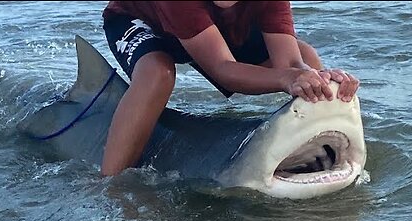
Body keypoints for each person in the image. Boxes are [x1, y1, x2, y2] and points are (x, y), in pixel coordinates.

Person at [100, 1, 360, 176]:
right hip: (141, 20)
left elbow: (290, 62)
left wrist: (318, 77)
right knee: (158, 74)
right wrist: (286, 78)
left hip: (211, 29)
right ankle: (108, 183)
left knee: (307, 59)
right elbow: (223, 69)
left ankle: (299, 157)